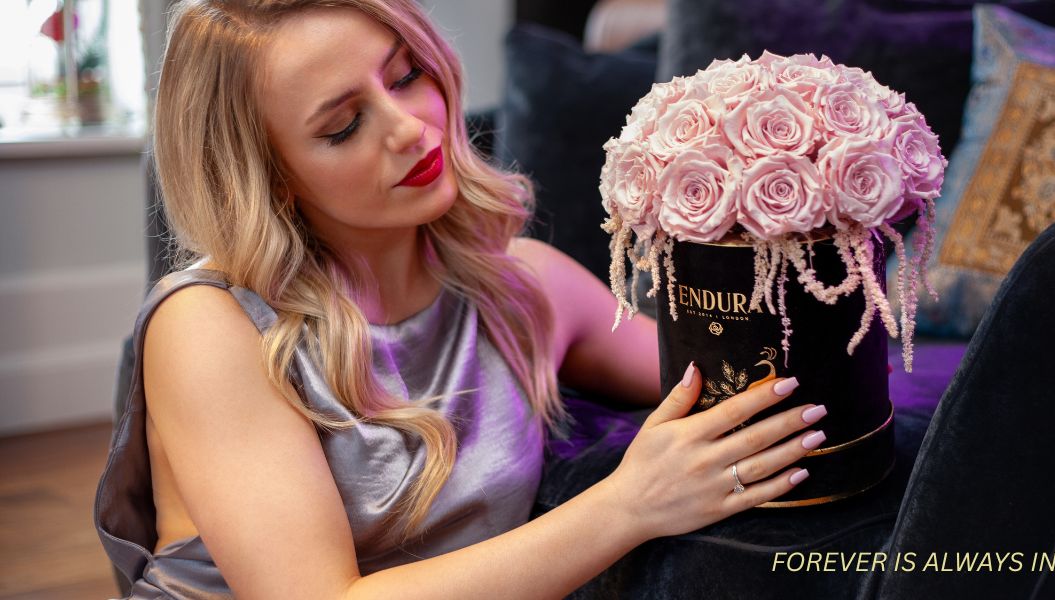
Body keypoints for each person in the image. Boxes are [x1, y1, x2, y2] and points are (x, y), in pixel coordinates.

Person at [94, 1, 830, 597]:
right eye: (344, 126)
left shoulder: (522, 285)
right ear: (271, 176)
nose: (409, 127)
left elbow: (750, 375)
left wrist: (800, 204)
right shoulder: (210, 326)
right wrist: (630, 504)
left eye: (406, 74)